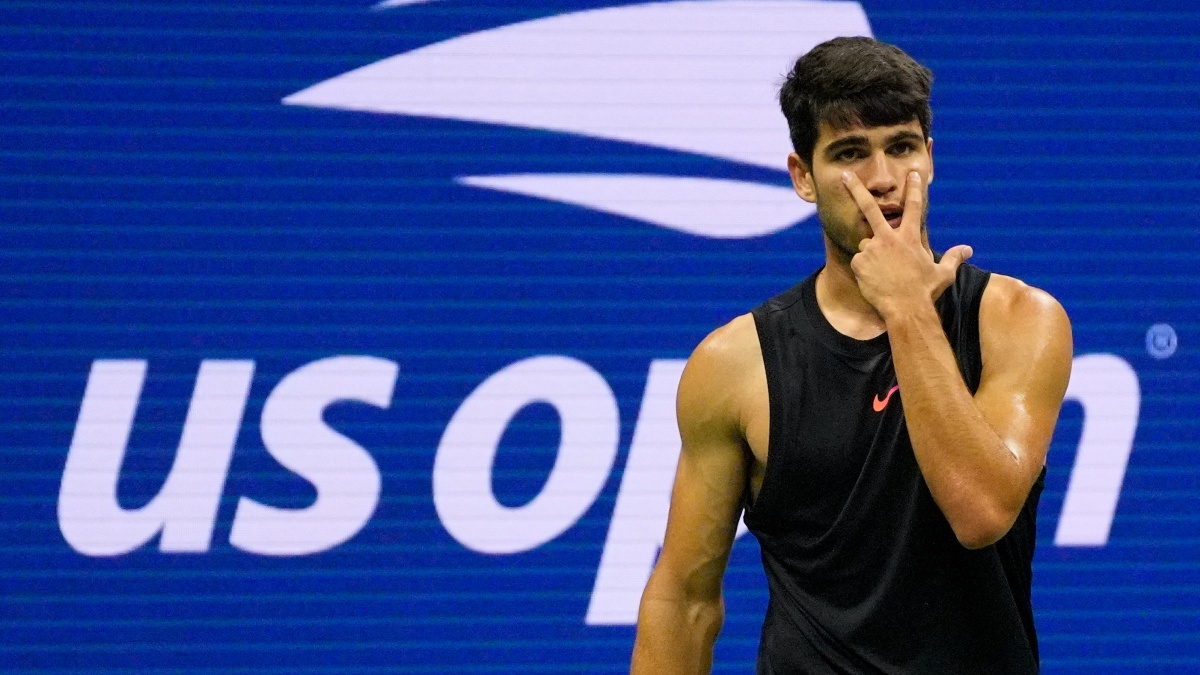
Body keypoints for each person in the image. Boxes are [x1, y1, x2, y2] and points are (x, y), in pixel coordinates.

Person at [630, 36, 1072, 674]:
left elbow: (980, 510)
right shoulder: (736, 363)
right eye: (850, 153)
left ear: (930, 158)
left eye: (902, 146)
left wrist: (906, 308)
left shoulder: (1019, 321)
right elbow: (684, 601)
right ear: (803, 177)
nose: (883, 179)